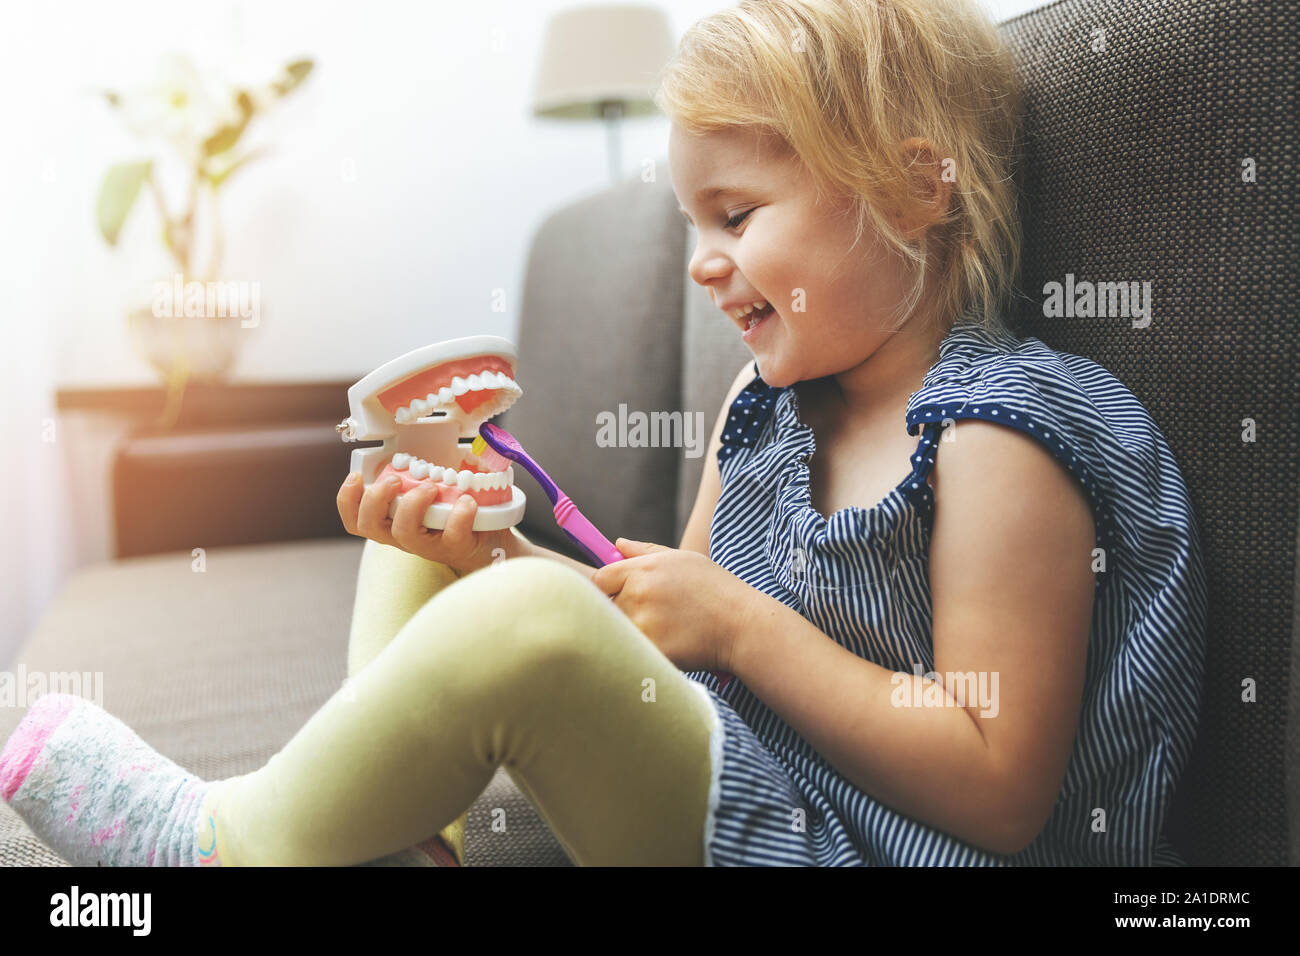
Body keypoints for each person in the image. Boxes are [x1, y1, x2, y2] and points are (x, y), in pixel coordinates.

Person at [0, 0, 1206, 866]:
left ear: (911, 190)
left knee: (527, 616)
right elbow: (659, 647)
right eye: (691, 219)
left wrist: (736, 620)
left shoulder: (997, 443)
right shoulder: (761, 408)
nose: (699, 261)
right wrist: (497, 560)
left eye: (736, 212)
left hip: (838, 843)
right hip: (736, 781)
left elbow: (1001, 786)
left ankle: (233, 848)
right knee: (442, 509)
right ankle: (405, 834)